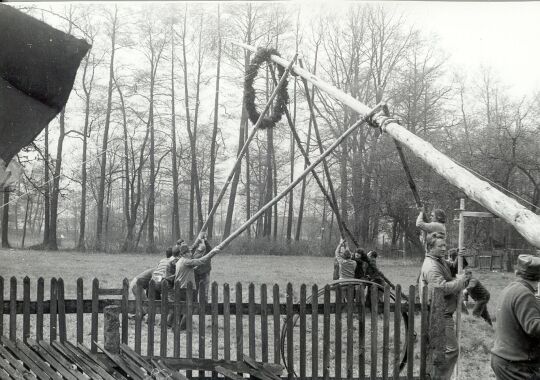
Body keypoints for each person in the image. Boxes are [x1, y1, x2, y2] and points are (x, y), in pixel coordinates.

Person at [419, 232, 470, 380]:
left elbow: (452, 269)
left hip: (443, 312)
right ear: (430, 247)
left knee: (440, 351)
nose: (444, 248)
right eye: (440, 246)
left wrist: (460, 257)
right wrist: (460, 282)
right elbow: (441, 288)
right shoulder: (431, 266)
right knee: (451, 350)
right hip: (439, 314)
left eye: (444, 245)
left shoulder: (438, 260)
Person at [491, 255, 540, 379]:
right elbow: (534, 327)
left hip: (505, 360)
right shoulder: (525, 294)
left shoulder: (512, 288)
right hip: (516, 365)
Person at [173, 237, 214, 330]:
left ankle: (174, 326)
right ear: (186, 253)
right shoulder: (187, 261)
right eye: (189, 252)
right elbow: (201, 261)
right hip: (186, 288)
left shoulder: (179, 261)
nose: (191, 253)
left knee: (180, 307)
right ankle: (182, 327)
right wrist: (212, 253)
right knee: (190, 307)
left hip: (179, 288)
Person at [192, 236, 213, 301]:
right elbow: (192, 249)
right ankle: (195, 305)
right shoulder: (195, 251)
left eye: (203, 243)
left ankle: (204, 306)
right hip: (196, 274)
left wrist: (205, 240)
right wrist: (198, 240)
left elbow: (210, 249)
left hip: (205, 273)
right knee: (195, 291)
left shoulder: (207, 251)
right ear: (199, 245)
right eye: (201, 243)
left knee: (204, 292)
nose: (203, 244)